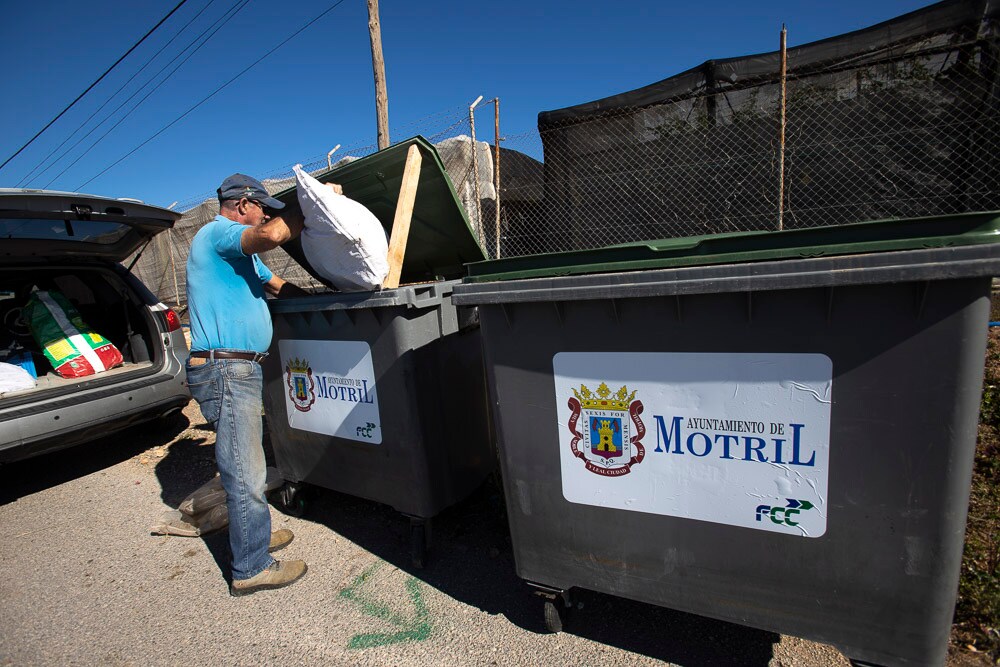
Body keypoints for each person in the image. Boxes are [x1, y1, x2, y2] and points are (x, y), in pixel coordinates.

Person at [185, 173, 309, 596]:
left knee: (247, 458)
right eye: (261, 208)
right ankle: (251, 566)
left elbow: (277, 286)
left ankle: (251, 536)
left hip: (239, 369)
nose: (264, 216)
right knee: (245, 469)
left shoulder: (240, 256)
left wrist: (325, 297)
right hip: (226, 369)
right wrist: (310, 207)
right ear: (242, 205)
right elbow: (273, 234)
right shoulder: (218, 234)